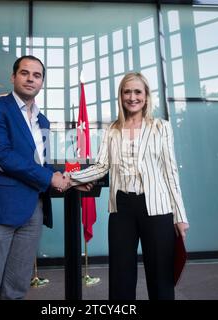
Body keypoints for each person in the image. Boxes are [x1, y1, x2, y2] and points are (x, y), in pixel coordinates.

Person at [69, 72, 189, 300]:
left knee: (161, 275)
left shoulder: (161, 127)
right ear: (121, 96)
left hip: (157, 207)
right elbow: (102, 166)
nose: (132, 97)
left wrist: (180, 216)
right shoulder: (112, 129)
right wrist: (70, 178)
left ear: (146, 96)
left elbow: (170, 172)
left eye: (137, 92)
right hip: (122, 207)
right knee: (120, 275)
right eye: (127, 92)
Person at [0, 55, 70, 300]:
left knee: (16, 288)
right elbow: (1, 157)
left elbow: (40, 163)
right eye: (25, 73)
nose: (30, 79)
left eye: (37, 75)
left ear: (42, 82)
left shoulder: (42, 120)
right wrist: (49, 178)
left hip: (32, 210)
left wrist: (68, 177)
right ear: (13, 77)